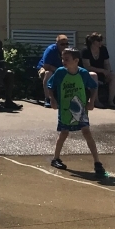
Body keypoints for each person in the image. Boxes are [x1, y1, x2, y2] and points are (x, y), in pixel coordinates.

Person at [47, 48, 106, 178]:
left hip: (81, 108)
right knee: (64, 133)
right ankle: (56, 158)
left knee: (86, 132)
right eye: (62, 59)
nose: (64, 61)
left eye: (67, 59)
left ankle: (97, 162)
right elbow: (50, 86)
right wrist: (52, 99)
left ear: (76, 61)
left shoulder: (83, 73)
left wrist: (91, 101)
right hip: (65, 109)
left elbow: (93, 87)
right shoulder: (60, 72)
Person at [80, 32, 115, 106]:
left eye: (101, 40)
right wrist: (102, 70)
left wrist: (107, 71)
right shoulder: (85, 51)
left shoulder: (103, 49)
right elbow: (87, 67)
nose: (100, 42)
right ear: (93, 42)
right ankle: (96, 101)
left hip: (102, 73)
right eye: (98, 40)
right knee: (94, 75)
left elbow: (107, 63)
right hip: (88, 74)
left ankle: (110, 100)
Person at [38, 34, 69, 108]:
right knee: (48, 73)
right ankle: (48, 98)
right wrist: (59, 70)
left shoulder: (68, 51)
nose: (65, 46)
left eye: (66, 44)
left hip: (61, 69)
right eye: (62, 44)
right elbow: (46, 66)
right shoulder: (51, 50)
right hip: (46, 69)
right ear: (57, 44)